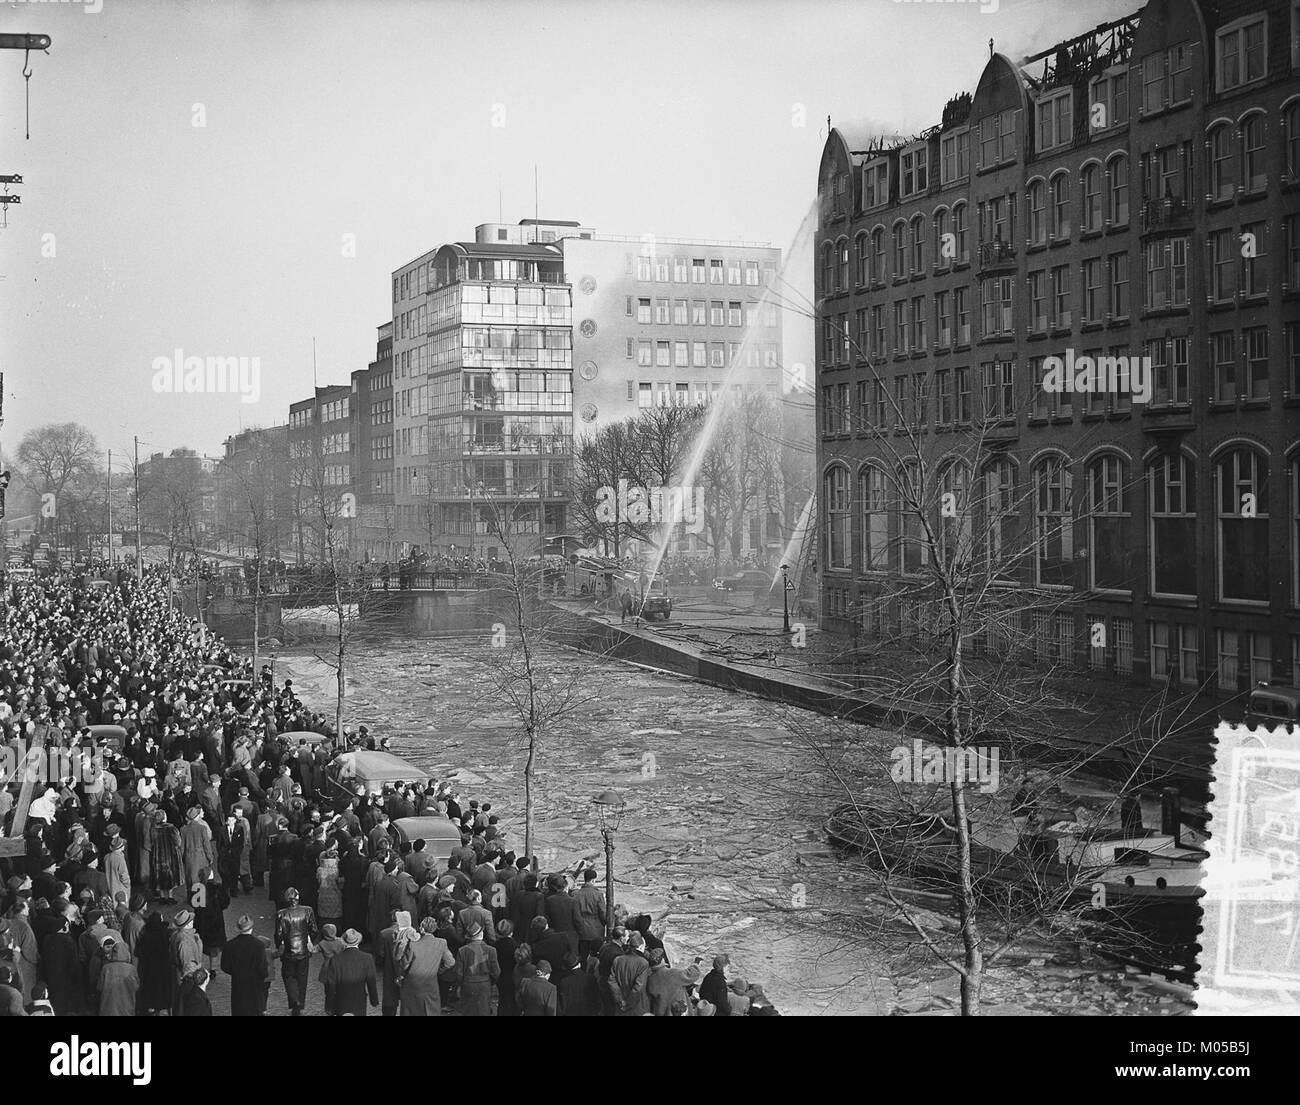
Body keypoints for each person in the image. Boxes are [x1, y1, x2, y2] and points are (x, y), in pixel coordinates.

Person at [397, 917, 455, 1016]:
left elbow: (404, 965)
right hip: (430, 985)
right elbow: (450, 962)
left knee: (410, 1012)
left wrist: (400, 976)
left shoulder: (413, 945)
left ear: (422, 928)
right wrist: (438, 971)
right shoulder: (441, 943)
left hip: (412, 986)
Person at [274, 886, 317, 1016]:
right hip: (303, 950)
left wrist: (280, 946)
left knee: (289, 976)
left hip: (288, 951)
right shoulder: (307, 910)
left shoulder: (281, 914)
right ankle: (300, 1002)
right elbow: (314, 929)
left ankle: (294, 1000)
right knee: (302, 977)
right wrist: (308, 940)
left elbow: (278, 934)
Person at [320, 929, 378, 1016]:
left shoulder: (335, 960)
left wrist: (329, 1005)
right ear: (358, 942)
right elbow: (371, 981)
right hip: (359, 1000)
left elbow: (331, 985)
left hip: (341, 1001)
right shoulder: (367, 958)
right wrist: (374, 1000)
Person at [220, 914, 269, 1016]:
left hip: (238, 984)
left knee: (239, 1010)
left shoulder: (230, 945)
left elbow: (224, 966)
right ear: (251, 928)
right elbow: (263, 968)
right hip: (255, 985)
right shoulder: (259, 945)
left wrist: (236, 971)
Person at [453, 922, 499, 1017]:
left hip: (467, 984)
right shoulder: (491, 950)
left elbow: (458, 973)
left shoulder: (462, 951)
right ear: (481, 934)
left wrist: (460, 985)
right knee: (484, 1011)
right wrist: (490, 982)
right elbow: (496, 972)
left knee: (468, 1011)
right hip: (485, 985)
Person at [95, 933, 139, 1017]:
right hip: (127, 1006)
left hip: (108, 1007)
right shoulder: (131, 969)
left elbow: (99, 987)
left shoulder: (106, 968)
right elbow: (136, 986)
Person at [609, 931, 650, 1016]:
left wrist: (620, 1000)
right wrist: (628, 1004)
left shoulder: (617, 960)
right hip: (637, 1006)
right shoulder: (643, 963)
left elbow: (612, 982)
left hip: (620, 1005)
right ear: (641, 946)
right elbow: (638, 988)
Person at [573, 868, 607, 960]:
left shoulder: (576, 894)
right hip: (597, 930)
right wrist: (605, 923)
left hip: (582, 930)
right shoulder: (598, 894)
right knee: (597, 956)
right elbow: (603, 913)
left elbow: (575, 914)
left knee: (583, 955)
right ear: (593, 880)